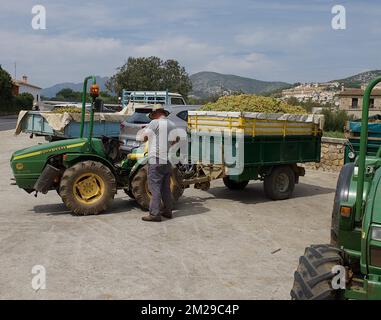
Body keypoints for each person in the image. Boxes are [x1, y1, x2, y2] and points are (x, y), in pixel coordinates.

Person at [141, 106, 176, 222]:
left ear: (156, 113)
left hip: (155, 158)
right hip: (167, 160)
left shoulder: (154, 123)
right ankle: (168, 211)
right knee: (165, 188)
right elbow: (176, 140)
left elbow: (144, 138)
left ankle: (154, 214)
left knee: (154, 187)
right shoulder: (172, 124)